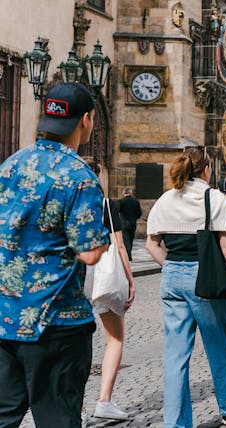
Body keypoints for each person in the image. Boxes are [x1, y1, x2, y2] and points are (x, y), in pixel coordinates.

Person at [0, 82, 109, 427]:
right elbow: (90, 253)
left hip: (5, 317)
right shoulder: (80, 176)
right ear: (87, 121)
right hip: (55, 321)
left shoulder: (11, 165)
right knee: (58, 419)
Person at [145, 146, 226, 426]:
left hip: (172, 278)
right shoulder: (213, 197)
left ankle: (176, 423)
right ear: (206, 169)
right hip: (205, 277)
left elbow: (151, 244)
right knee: (219, 345)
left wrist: (170, 266)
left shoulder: (165, 199)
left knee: (176, 355)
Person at [82, 158, 136, 422]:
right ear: (99, 176)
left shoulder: (69, 201)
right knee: (114, 337)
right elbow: (120, 245)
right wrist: (130, 278)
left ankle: (77, 410)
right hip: (103, 275)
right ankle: (104, 401)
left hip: (76, 275)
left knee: (78, 343)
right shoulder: (106, 205)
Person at [118, 188, 142, 262]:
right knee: (131, 239)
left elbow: (118, 211)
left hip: (124, 223)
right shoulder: (136, 201)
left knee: (126, 240)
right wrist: (134, 218)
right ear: (130, 193)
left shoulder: (121, 201)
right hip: (133, 223)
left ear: (124, 193)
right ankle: (129, 254)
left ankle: (128, 256)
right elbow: (139, 213)